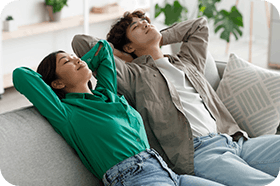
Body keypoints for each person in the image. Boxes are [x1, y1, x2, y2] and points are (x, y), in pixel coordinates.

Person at [71, 10, 280, 186]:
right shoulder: (132, 76)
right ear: (127, 47)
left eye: (145, 21)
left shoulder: (187, 61)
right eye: (136, 27)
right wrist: (124, 56)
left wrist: (156, 40)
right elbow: (81, 42)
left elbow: (199, 26)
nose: (144, 24)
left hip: (236, 141)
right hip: (199, 154)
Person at [12, 40, 225, 186]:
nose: (77, 59)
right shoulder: (66, 112)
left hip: (164, 170)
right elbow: (21, 75)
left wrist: (78, 64)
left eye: (75, 57)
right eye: (67, 61)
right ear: (57, 83)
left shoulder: (107, 94)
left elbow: (104, 49)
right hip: (133, 177)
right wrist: (57, 85)